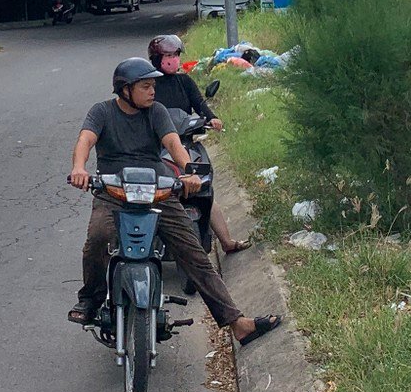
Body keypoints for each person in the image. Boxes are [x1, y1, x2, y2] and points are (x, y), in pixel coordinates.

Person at [68, 58, 279, 347]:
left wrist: (190, 172)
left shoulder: (157, 112)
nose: (153, 91)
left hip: (156, 191)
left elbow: (173, 145)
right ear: (125, 89)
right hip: (113, 192)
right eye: (145, 86)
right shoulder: (102, 112)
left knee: (194, 253)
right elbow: (85, 140)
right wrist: (79, 168)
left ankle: (237, 323)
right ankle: (90, 300)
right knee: (98, 239)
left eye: (153, 85)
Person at [147, 34, 250, 255]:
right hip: (157, 148)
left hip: (186, 144)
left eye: (175, 55)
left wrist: (212, 118)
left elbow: (200, 104)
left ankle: (226, 241)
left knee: (205, 191)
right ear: (156, 59)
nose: (173, 59)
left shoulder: (184, 81)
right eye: (167, 55)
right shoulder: (149, 85)